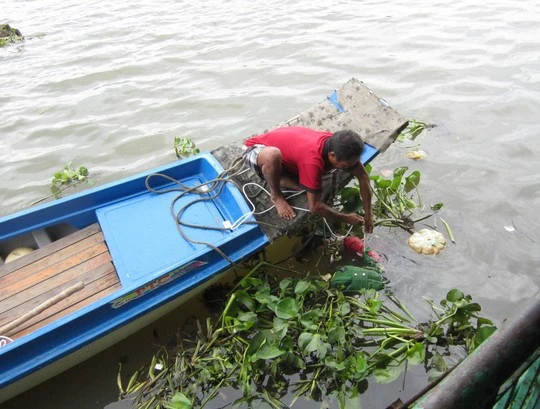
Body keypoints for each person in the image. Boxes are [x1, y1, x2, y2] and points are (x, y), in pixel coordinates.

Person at [243, 126, 373, 233]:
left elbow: (363, 177)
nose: (348, 168)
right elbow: (315, 207)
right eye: (344, 166)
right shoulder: (313, 161)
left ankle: (282, 176)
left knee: (308, 187)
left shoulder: (338, 145)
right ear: (332, 155)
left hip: (291, 152)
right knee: (273, 156)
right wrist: (345, 218)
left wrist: (368, 213)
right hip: (258, 150)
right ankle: (276, 195)